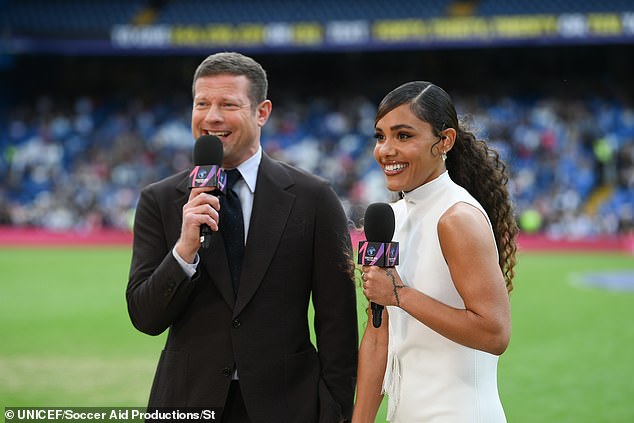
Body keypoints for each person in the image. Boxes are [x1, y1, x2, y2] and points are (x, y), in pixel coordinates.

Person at [126, 52, 358, 423]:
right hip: (186, 402)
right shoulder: (160, 199)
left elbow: (338, 327)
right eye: (202, 104)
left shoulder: (314, 198)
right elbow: (145, 317)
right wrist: (184, 251)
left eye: (227, 104)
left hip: (287, 406)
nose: (211, 117)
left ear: (262, 112)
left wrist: (334, 414)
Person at [352, 81, 518, 422]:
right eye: (380, 136)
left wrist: (400, 294)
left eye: (403, 136)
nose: (386, 150)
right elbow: (378, 334)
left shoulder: (458, 217)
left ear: (444, 141)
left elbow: (495, 332)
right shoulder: (390, 218)